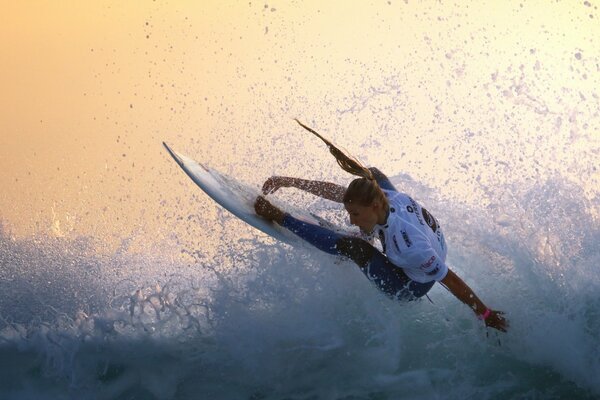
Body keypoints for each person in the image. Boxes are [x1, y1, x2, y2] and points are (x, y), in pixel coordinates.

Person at [254, 120, 508, 332]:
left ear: (375, 207)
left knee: (354, 247)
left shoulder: (410, 246)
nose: (351, 219)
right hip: (428, 240)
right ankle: (368, 237)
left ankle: (282, 217)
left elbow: (450, 279)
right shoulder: (385, 196)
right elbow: (339, 193)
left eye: (355, 214)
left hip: (409, 285)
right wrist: (290, 182)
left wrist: (485, 314)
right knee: (373, 174)